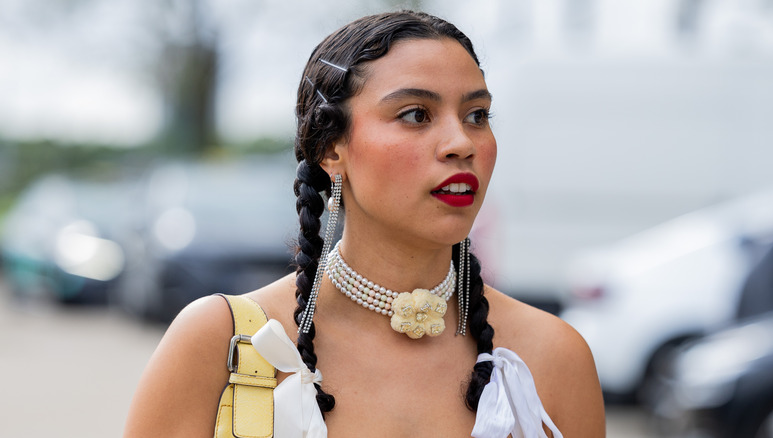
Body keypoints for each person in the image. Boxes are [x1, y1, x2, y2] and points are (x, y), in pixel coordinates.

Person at [124, 10, 605, 437]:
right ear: (331, 150)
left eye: (477, 114)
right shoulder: (223, 342)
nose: (462, 142)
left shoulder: (554, 356)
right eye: (416, 114)